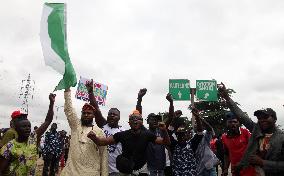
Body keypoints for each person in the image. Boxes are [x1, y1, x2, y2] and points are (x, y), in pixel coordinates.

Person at [219, 83, 284, 176]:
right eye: (259, 118)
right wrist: (227, 98)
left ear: (274, 119)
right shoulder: (257, 131)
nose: (262, 120)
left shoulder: (281, 138)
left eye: (265, 116)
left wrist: (262, 162)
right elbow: (241, 116)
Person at [87, 109, 171, 175]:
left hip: (143, 170)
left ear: (141, 122)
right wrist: (94, 137)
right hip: (125, 170)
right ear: (129, 122)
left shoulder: (147, 135)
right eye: (132, 119)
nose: (135, 121)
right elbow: (103, 142)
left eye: (138, 119)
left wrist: (164, 131)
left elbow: (166, 142)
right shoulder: (121, 134)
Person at [0, 93, 56, 176]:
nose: (27, 128)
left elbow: (48, 121)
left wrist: (51, 103)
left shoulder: (32, 139)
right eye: (24, 126)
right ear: (16, 129)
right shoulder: (9, 146)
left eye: (29, 126)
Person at [61, 88, 108, 176]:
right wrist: (67, 90)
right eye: (84, 113)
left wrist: (104, 174)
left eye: (89, 113)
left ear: (93, 115)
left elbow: (103, 155)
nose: (86, 115)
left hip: (91, 172)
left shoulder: (99, 132)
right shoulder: (76, 126)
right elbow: (69, 110)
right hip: (71, 172)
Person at [86, 80, 125, 176]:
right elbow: (96, 108)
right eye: (110, 114)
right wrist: (91, 92)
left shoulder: (123, 131)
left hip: (116, 171)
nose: (112, 116)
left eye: (114, 114)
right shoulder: (103, 125)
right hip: (100, 168)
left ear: (119, 118)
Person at [220, 112, 255, 176]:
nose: (233, 124)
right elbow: (226, 154)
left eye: (235, 122)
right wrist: (225, 169)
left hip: (249, 170)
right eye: (230, 122)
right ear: (226, 123)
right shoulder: (224, 137)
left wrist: (242, 163)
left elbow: (252, 150)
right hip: (236, 171)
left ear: (239, 123)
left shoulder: (245, 133)